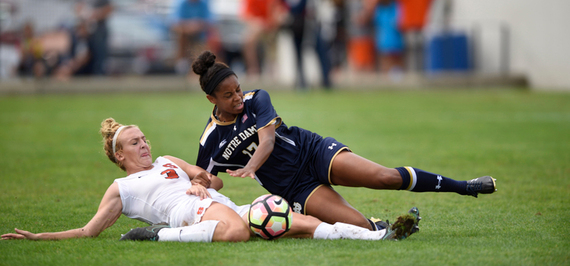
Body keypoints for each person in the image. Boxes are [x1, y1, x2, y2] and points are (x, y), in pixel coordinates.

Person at [191, 50, 497, 232]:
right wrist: (201, 184)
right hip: (293, 187)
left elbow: (267, 140)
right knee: (361, 228)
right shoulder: (211, 140)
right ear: (210, 99)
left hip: (313, 153)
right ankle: (383, 227)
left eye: (237, 89)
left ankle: (464, 187)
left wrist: (250, 167)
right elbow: (207, 179)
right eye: (228, 95)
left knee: (385, 177)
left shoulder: (257, 98)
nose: (237, 98)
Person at [1, 118, 421, 243]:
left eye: (144, 137)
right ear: (119, 155)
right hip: (188, 216)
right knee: (239, 232)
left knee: (291, 219)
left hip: (211, 205)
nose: (145, 144)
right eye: (134, 142)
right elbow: (89, 231)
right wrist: (40, 238)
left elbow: (214, 181)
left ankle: (375, 239)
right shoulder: (121, 190)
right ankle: (156, 237)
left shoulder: (168, 160)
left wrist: (203, 179)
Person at [279, 0, 342, 89]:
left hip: (313, 21)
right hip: (297, 21)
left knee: (321, 49)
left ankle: (326, 81)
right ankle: (301, 82)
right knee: (298, 52)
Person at [239, 0, 282, 80]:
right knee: (248, 40)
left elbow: (277, 9)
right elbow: (246, 15)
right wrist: (258, 23)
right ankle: (253, 70)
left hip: (271, 26)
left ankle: (272, 72)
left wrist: (272, 21)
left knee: (272, 44)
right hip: (258, 26)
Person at [73, 0, 113, 76]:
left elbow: (110, 8)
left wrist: (95, 14)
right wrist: (84, 14)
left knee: (100, 59)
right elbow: (77, 7)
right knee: (84, 56)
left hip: (99, 29)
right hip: (86, 31)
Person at [170, 0, 213, 75]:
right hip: (185, 33)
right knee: (182, 34)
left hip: (200, 34)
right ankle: (181, 62)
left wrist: (197, 26)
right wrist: (189, 27)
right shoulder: (182, 2)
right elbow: (174, 22)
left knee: (207, 42)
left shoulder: (203, 3)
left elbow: (210, 21)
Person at [344, 0, 377, 72]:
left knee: (356, 61)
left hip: (353, 34)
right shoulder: (359, 0)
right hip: (362, 35)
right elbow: (361, 18)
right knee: (364, 63)